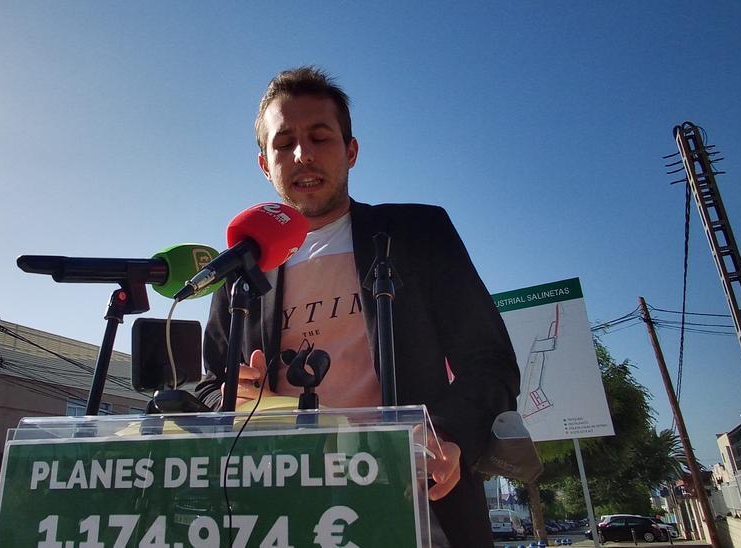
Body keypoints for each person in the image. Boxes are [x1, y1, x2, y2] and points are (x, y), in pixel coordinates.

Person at [194, 66, 521, 547]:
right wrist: (231, 393)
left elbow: (488, 362)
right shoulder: (242, 266)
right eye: (283, 143)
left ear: (350, 151)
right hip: (276, 510)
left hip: (414, 502)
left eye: (319, 137)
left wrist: (449, 435)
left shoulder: (417, 234)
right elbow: (207, 387)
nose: (302, 155)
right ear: (265, 163)